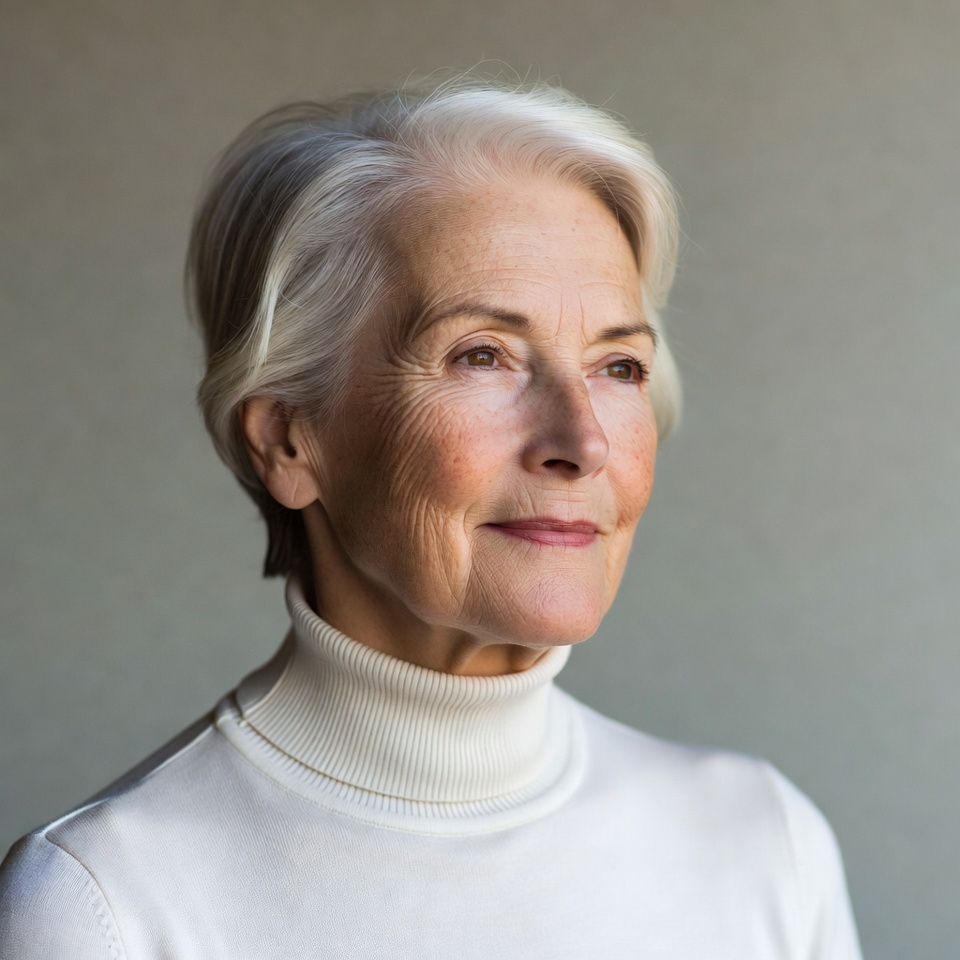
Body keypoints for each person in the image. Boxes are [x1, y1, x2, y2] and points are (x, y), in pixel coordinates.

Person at [0, 77, 862, 958]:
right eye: (483, 355)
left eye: (619, 366)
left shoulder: (765, 845)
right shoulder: (99, 906)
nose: (583, 441)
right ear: (291, 441)